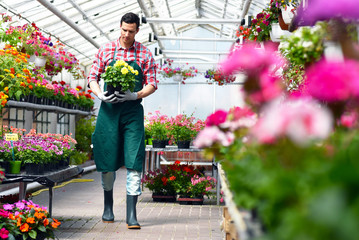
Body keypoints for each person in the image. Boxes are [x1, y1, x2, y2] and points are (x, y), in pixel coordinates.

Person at [87, 12, 157, 229]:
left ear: (137, 31)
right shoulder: (106, 50)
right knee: (107, 160)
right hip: (109, 112)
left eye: (131, 31)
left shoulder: (144, 54)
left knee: (134, 160)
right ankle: (108, 207)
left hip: (132, 113)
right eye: (124, 30)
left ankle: (131, 214)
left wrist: (135, 95)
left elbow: (153, 83)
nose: (127, 35)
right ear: (120, 27)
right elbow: (92, 77)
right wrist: (100, 94)